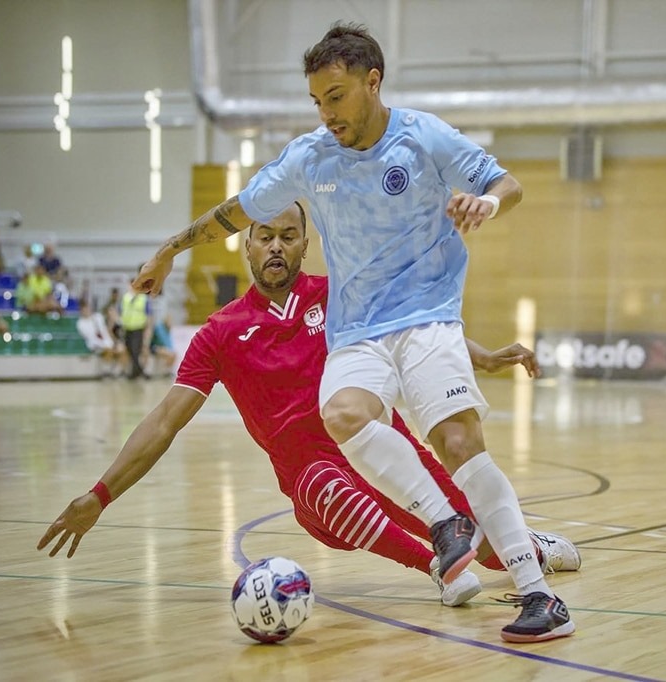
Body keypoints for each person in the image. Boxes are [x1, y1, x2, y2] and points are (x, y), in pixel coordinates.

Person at [132, 23, 572, 643]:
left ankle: (540, 596)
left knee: (456, 440)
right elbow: (237, 210)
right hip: (358, 331)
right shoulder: (310, 158)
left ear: (372, 82)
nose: (326, 113)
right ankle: (446, 526)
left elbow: (508, 183)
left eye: (335, 96)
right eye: (317, 100)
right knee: (344, 412)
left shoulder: (422, 137)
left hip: (426, 316)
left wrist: (487, 204)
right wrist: (171, 247)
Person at [38, 204, 580, 610]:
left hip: (389, 456)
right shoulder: (220, 333)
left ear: (304, 245)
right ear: (247, 246)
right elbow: (163, 421)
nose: (276, 246)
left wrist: (481, 356)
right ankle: (435, 565)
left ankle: (529, 546)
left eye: (288, 237)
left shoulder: (340, 293)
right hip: (317, 488)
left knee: (487, 551)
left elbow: (414, 325)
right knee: (328, 486)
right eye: (265, 236)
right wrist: (100, 495)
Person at [75, 300, 124, 377]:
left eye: (88, 308)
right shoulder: (80, 323)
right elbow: (91, 337)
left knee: (121, 349)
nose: (87, 311)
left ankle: (117, 370)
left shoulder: (98, 317)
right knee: (108, 350)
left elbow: (105, 330)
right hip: (95, 344)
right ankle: (106, 371)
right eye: (84, 310)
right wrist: (105, 345)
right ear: (81, 311)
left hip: (107, 341)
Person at [120, 276, 152, 379]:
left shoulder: (143, 298)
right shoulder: (125, 298)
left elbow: (148, 315)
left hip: (138, 328)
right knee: (130, 350)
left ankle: (136, 372)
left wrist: (147, 329)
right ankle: (138, 372)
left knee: (135, 350)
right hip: (127, 328)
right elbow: (121, 312)